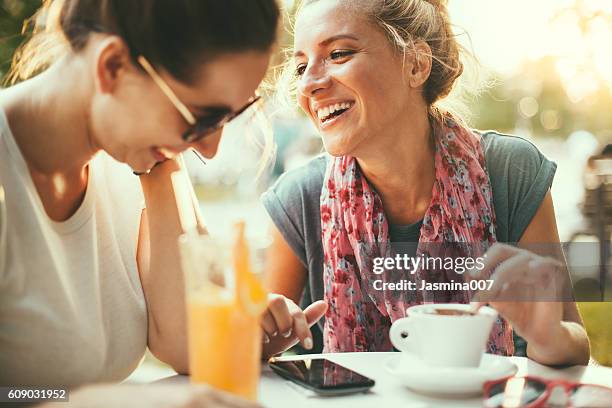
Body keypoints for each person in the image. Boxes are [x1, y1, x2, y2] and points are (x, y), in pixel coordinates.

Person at [259, 0, 590, 366]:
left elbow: (573, 346)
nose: (309, 84)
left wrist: (549, 334)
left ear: (416, 65)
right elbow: (250, 352)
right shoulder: (299, 198)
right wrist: (262, 338)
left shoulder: (510, 172)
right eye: (302, 66)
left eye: (338, 54)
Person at [0, 0, 279, 405]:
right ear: (112, 67)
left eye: (228, 119)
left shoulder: (134, 156)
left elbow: (189, 345)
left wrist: (163, 153)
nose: (210, 149)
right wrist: (117, 400)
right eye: (202, 118)